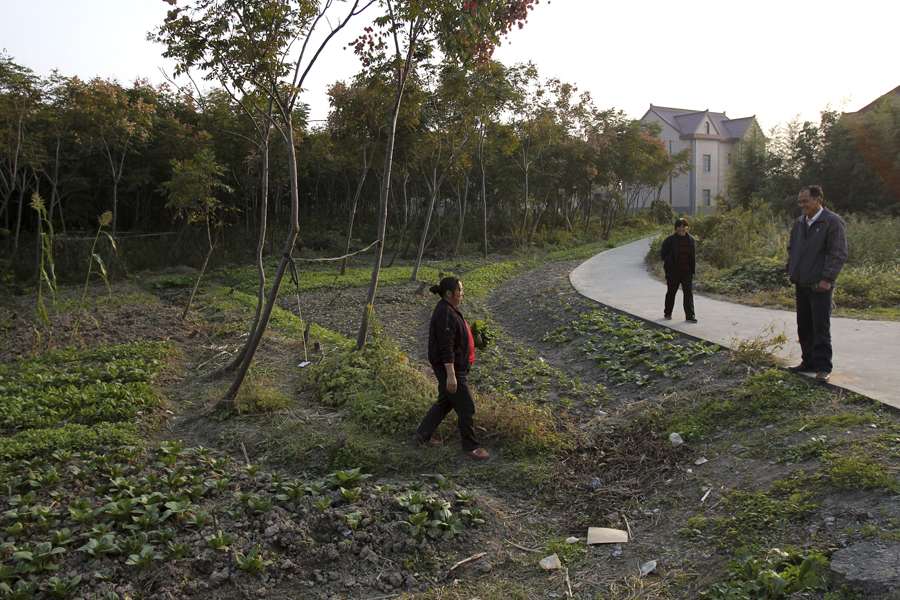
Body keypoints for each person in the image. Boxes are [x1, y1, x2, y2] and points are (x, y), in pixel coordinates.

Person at [413, 276, 490, 460]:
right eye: (460, 290)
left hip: (453, 367)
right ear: (449, 293)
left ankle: (421, 435)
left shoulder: (449, 309)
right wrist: (451, 375)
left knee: (445, 402)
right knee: (466, 406)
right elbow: (445, 346)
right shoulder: (445, 313)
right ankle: (471, 446)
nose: (462, 293)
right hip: (451, 369)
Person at [786, 185, 848, 382]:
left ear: (819, 200)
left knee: (820, 325)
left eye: (806, 201)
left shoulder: (832, 222)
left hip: (819, 285)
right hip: (801, 282)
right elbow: (792, 248)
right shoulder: (799, 223)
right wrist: (791, 269)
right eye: (799, 202)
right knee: (804, 324)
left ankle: (822, 367)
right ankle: (808, 360)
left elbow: (837, 252)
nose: (802, 205)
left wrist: (827, 278)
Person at [660, 218, 697, 322]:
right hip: (674, 272)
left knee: (688, 293)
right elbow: (663, 254)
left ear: (687, 228)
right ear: (676, 228)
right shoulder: (669, 240)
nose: (681, 229)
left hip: (687, 271)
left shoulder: (691, 240)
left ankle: (690, 316)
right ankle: (668, 313)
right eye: (679, 226)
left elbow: (692, 256)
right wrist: (670, 263)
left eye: (684, 226)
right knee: (671, 292)